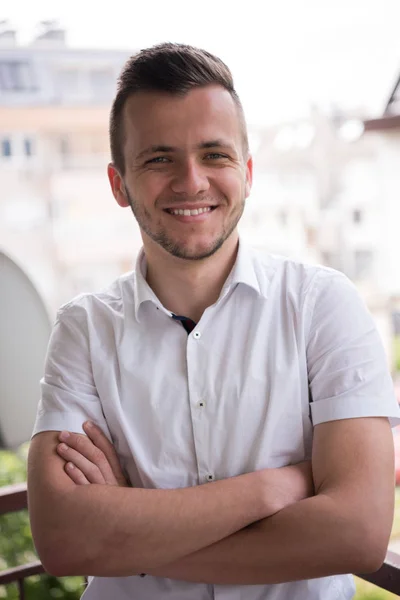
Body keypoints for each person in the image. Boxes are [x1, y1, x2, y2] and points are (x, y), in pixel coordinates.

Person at [28, 42, 400, 600]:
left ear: (247, 172)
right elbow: (62, 540)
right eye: (158, 159)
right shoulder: (83, 329)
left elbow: (359, 533)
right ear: (118, 184)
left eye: (214, 155)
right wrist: (272, 488)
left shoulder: (324, 305)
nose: (191, 181)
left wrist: (130, 531)